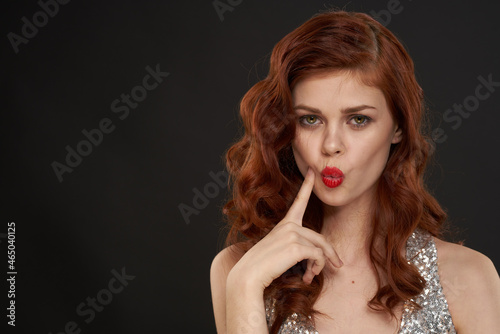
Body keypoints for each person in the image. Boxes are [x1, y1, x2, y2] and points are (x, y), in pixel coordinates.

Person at [210, 10, 500, 334]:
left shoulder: (468, 278)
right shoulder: (238, 270)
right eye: (310, 119)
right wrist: (245, 286)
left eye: (358, 119)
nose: (331, 145)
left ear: (399, 128)